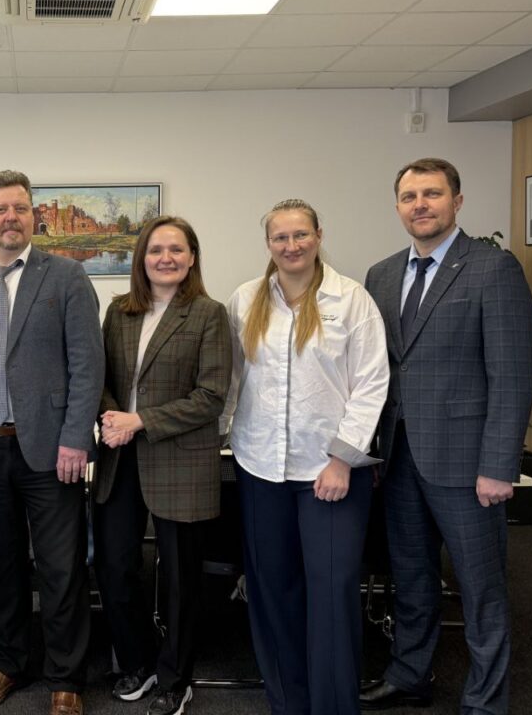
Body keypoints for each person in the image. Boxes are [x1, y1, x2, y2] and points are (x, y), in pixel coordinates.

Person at [361, 159, 532, 714]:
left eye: (432, 193)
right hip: (399, 458)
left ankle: (485, 700)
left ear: (456, 201)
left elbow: (511, 375)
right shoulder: (381, 274)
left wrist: (499, 466)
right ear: (397, 207)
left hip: (467, 463)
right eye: (409, 196)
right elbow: (378, 371)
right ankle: (410, 675)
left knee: (481, 590)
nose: (420, 204)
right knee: (412, 580)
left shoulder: (492, 268)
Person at [0, 170, 104, 715]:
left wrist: (76, 438)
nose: (11, 217)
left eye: (21, 208)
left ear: (35, 217)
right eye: (0, 209)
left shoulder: (67, 276)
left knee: (60, 567)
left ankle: (66, 678)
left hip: (52, 450)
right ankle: (7, 663)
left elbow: (87, 364)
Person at [223, 199, 389, 714]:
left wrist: (342, 459)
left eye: (300, 235)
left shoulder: (352, 299)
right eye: (280, 237)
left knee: (333, 593)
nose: (291, 245)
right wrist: (215, 438)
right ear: (268, 244)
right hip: (260, 468)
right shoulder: (245, 299)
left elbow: (371, 384)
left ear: (318, 235)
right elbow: (231, 381)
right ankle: (288, 703)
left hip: (329, 473)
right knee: (272, 593)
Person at [93, 216, 231, 715]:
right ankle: (139, 661)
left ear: (192, 258)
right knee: (113, 567)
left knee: (180, 579)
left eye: (176, 249)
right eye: (156, 250)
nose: (165, 258)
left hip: (179, 462)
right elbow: (99, 377)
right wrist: (112, 416)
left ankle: (176, 677)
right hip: (119, 459)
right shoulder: (119, 312)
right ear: (141, 258)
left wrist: (139, 421)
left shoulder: (209, 314)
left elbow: (211, 396)